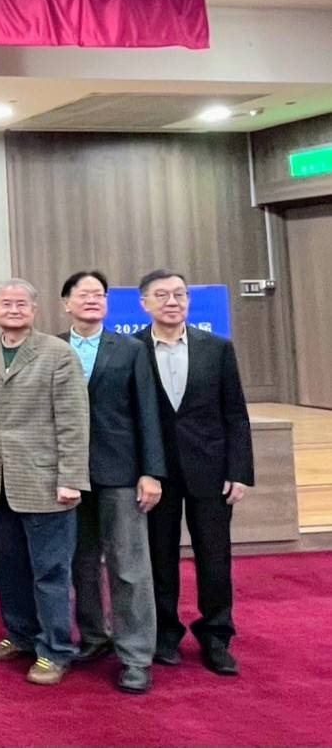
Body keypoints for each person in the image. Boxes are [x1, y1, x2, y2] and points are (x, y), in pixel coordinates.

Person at [135, 268, 253, 677]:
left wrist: (239, 470)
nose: (172, 302)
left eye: (180, 295)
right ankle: (165, 632)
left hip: (211, 469)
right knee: (159, 556)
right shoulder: (132, 350)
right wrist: (142, 470)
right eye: (162, 295)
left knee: (214, 558)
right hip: (157, 474)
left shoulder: (217, 348)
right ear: (144, 303)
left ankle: (216, 635)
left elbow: (235, 413)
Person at [0, 278, 90, 686]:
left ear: (35, 310)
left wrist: (71, 478)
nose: (14, 309)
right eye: (5, 303)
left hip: (46, 480)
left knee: (50, 571)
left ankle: (55, 649)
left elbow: (74, 421)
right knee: (10, 569)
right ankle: (20, 633)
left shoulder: (58, 353)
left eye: (21, 303)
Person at [59, 271, 165, 694]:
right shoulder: (52, 348)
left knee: (128, 567)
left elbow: (148, 413)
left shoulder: (132, 349)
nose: (92, 299)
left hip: (120, 473)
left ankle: (136, 655)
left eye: (99, 294)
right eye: (83, 294)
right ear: (66, 303)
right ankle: (93, 635)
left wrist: (151, 471)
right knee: (80, 563)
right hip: (68, 475)